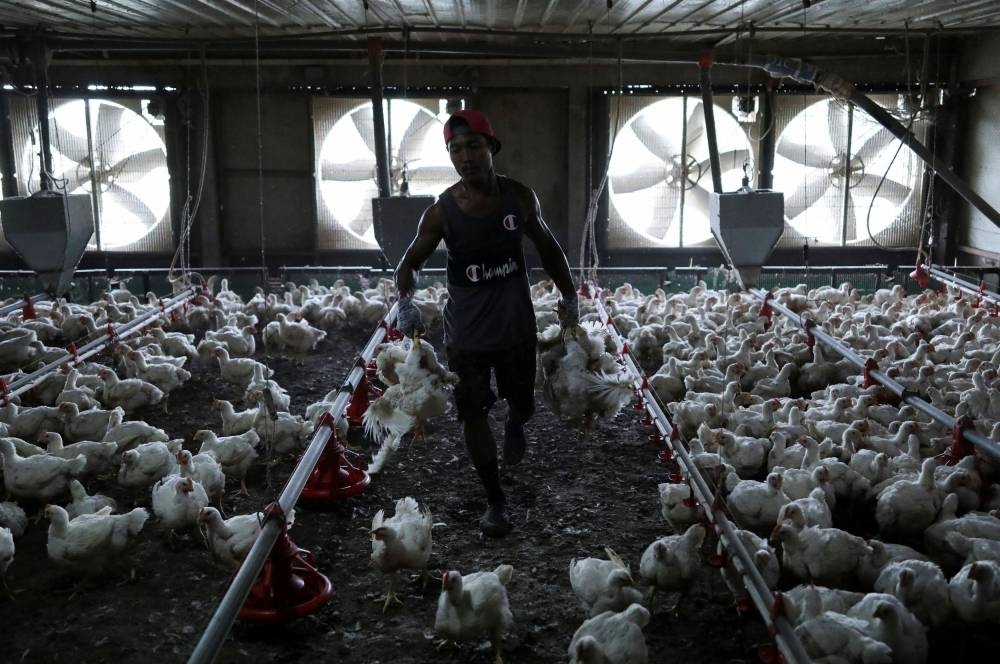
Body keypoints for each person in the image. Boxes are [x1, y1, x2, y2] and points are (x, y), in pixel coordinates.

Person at [393, 109, 577, 538]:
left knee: (524, 403)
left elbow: (550, 250)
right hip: (467, 332)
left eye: (474, 146)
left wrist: (570, 297)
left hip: (514, 323)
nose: (465, 157)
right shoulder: (442, 212)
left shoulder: (520, 198)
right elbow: (410, 263)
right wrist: (406, 301)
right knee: (471, 413)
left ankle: (515, 422)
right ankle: (495, 500)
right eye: (456, 150)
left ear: (491, 148)